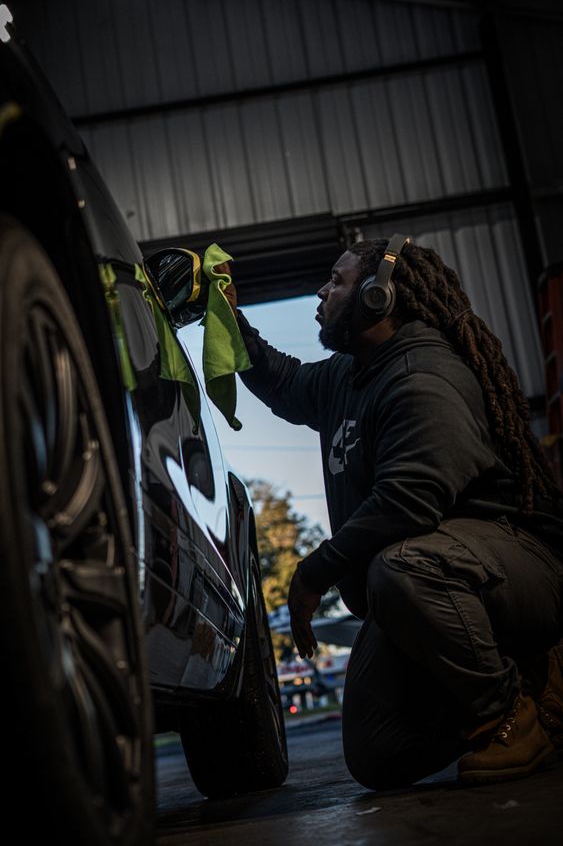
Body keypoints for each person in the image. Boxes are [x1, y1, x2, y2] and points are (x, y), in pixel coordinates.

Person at [219, 236, 563, 788]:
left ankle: (508, 717)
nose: (322, 290)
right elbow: (283, 382)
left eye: (337, 281)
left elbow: (408, 501)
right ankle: (535, 686)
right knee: (378, 751)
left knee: (401, 566)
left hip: (512, 570)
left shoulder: (421, 375)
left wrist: (312, 573)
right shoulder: (348, 373)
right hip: (433, 577)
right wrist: (229, 316)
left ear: (380, 294)